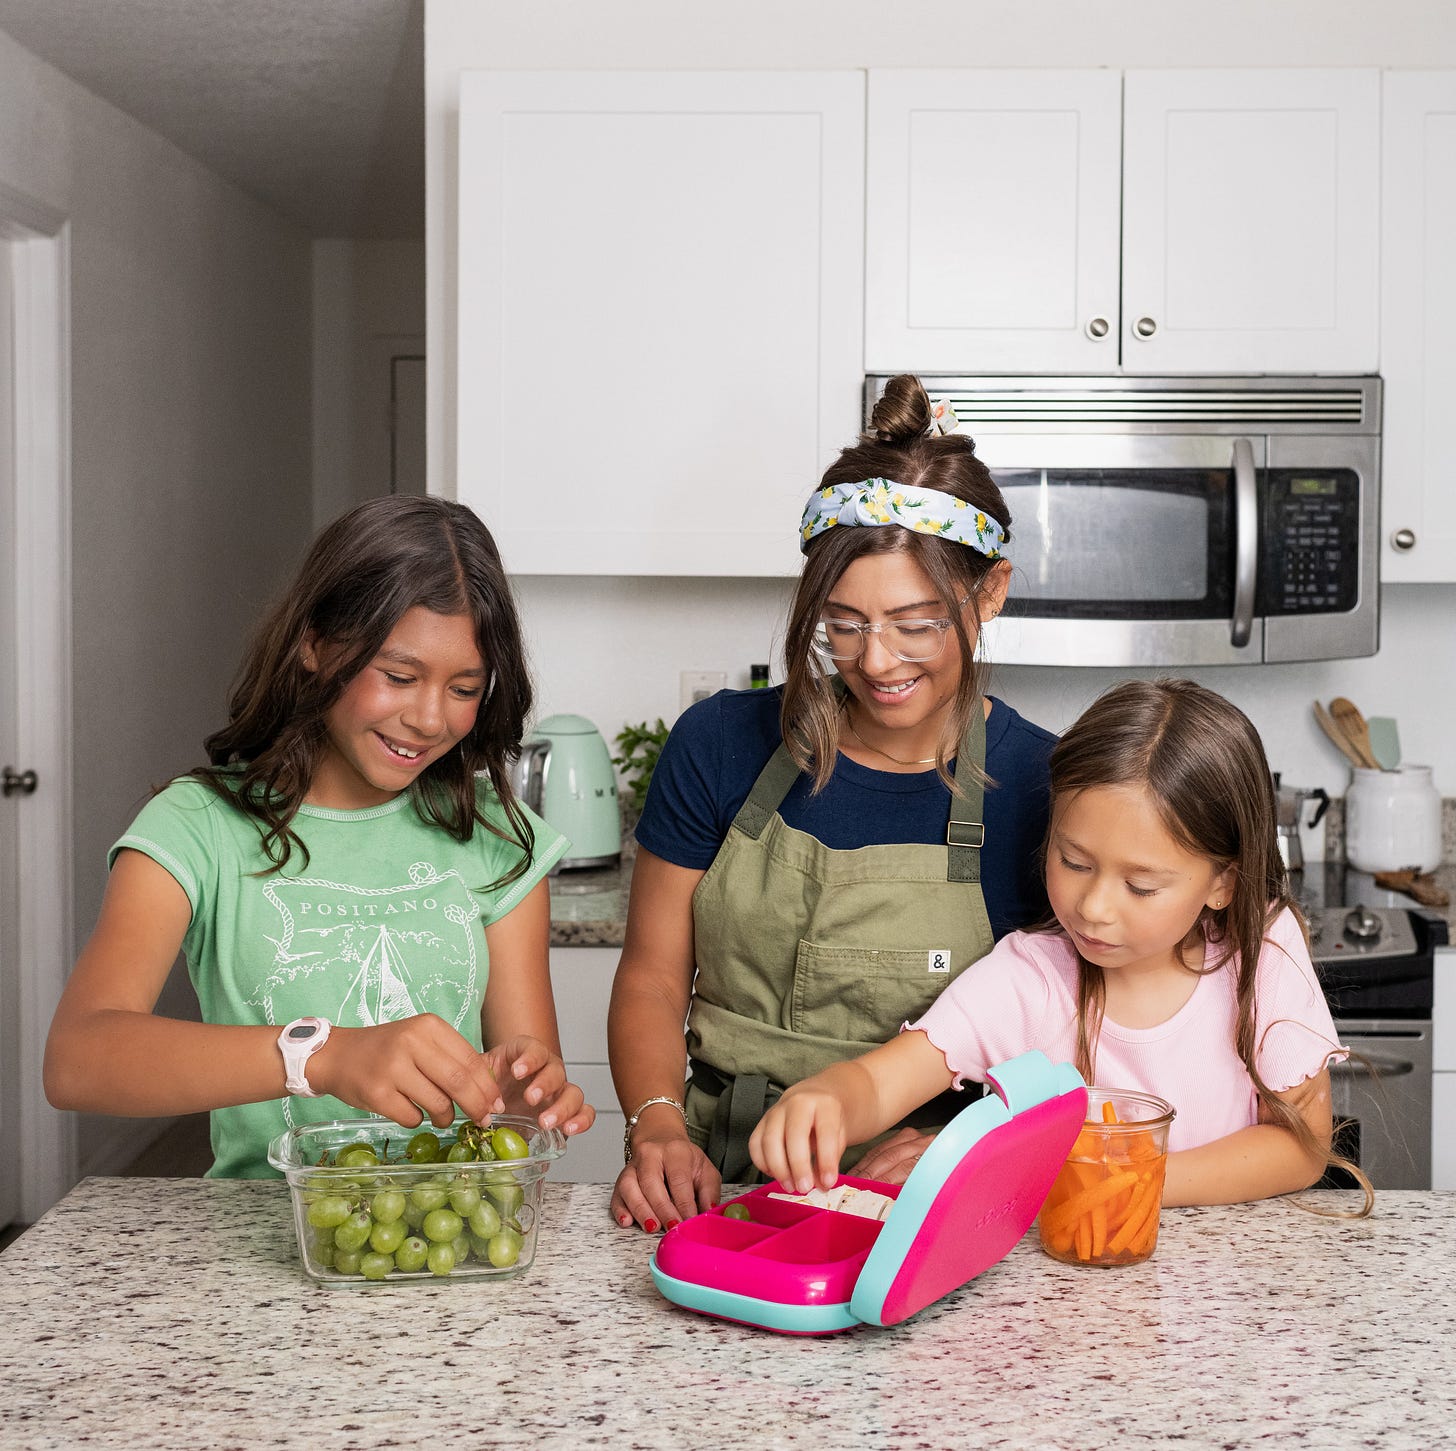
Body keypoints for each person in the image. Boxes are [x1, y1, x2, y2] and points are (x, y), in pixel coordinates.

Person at [608, 375, 1056, 1233]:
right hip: (717, 1182)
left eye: (915, 622)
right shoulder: (719, 745)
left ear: (989, 593)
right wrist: (656, 1125)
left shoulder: (1043, 786)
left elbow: (1073, 1036)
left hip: (931, 1196)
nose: (875, 659)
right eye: (842, 623)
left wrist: (973, 1141)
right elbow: (654, 976)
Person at [45, 496, 594, 1178]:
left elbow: (522, 1107)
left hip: (453, 1243)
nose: (428, 717)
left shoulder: (493, 834)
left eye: (464, 687)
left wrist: (523, 1100)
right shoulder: (198, 827)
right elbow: (78, 1059)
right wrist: (322, 1055)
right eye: (398, 676)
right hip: (257, 1248)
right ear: (313, 642)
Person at [750, 678, 1372, 1214]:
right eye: (1073, 861)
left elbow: (1300, 1145)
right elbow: (882, 1083)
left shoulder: (1263, 947)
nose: (1094, 907)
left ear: (1222, 883)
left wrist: (1092, 1178)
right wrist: (828, 1096)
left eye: (1140, 885)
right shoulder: (1029, 978)